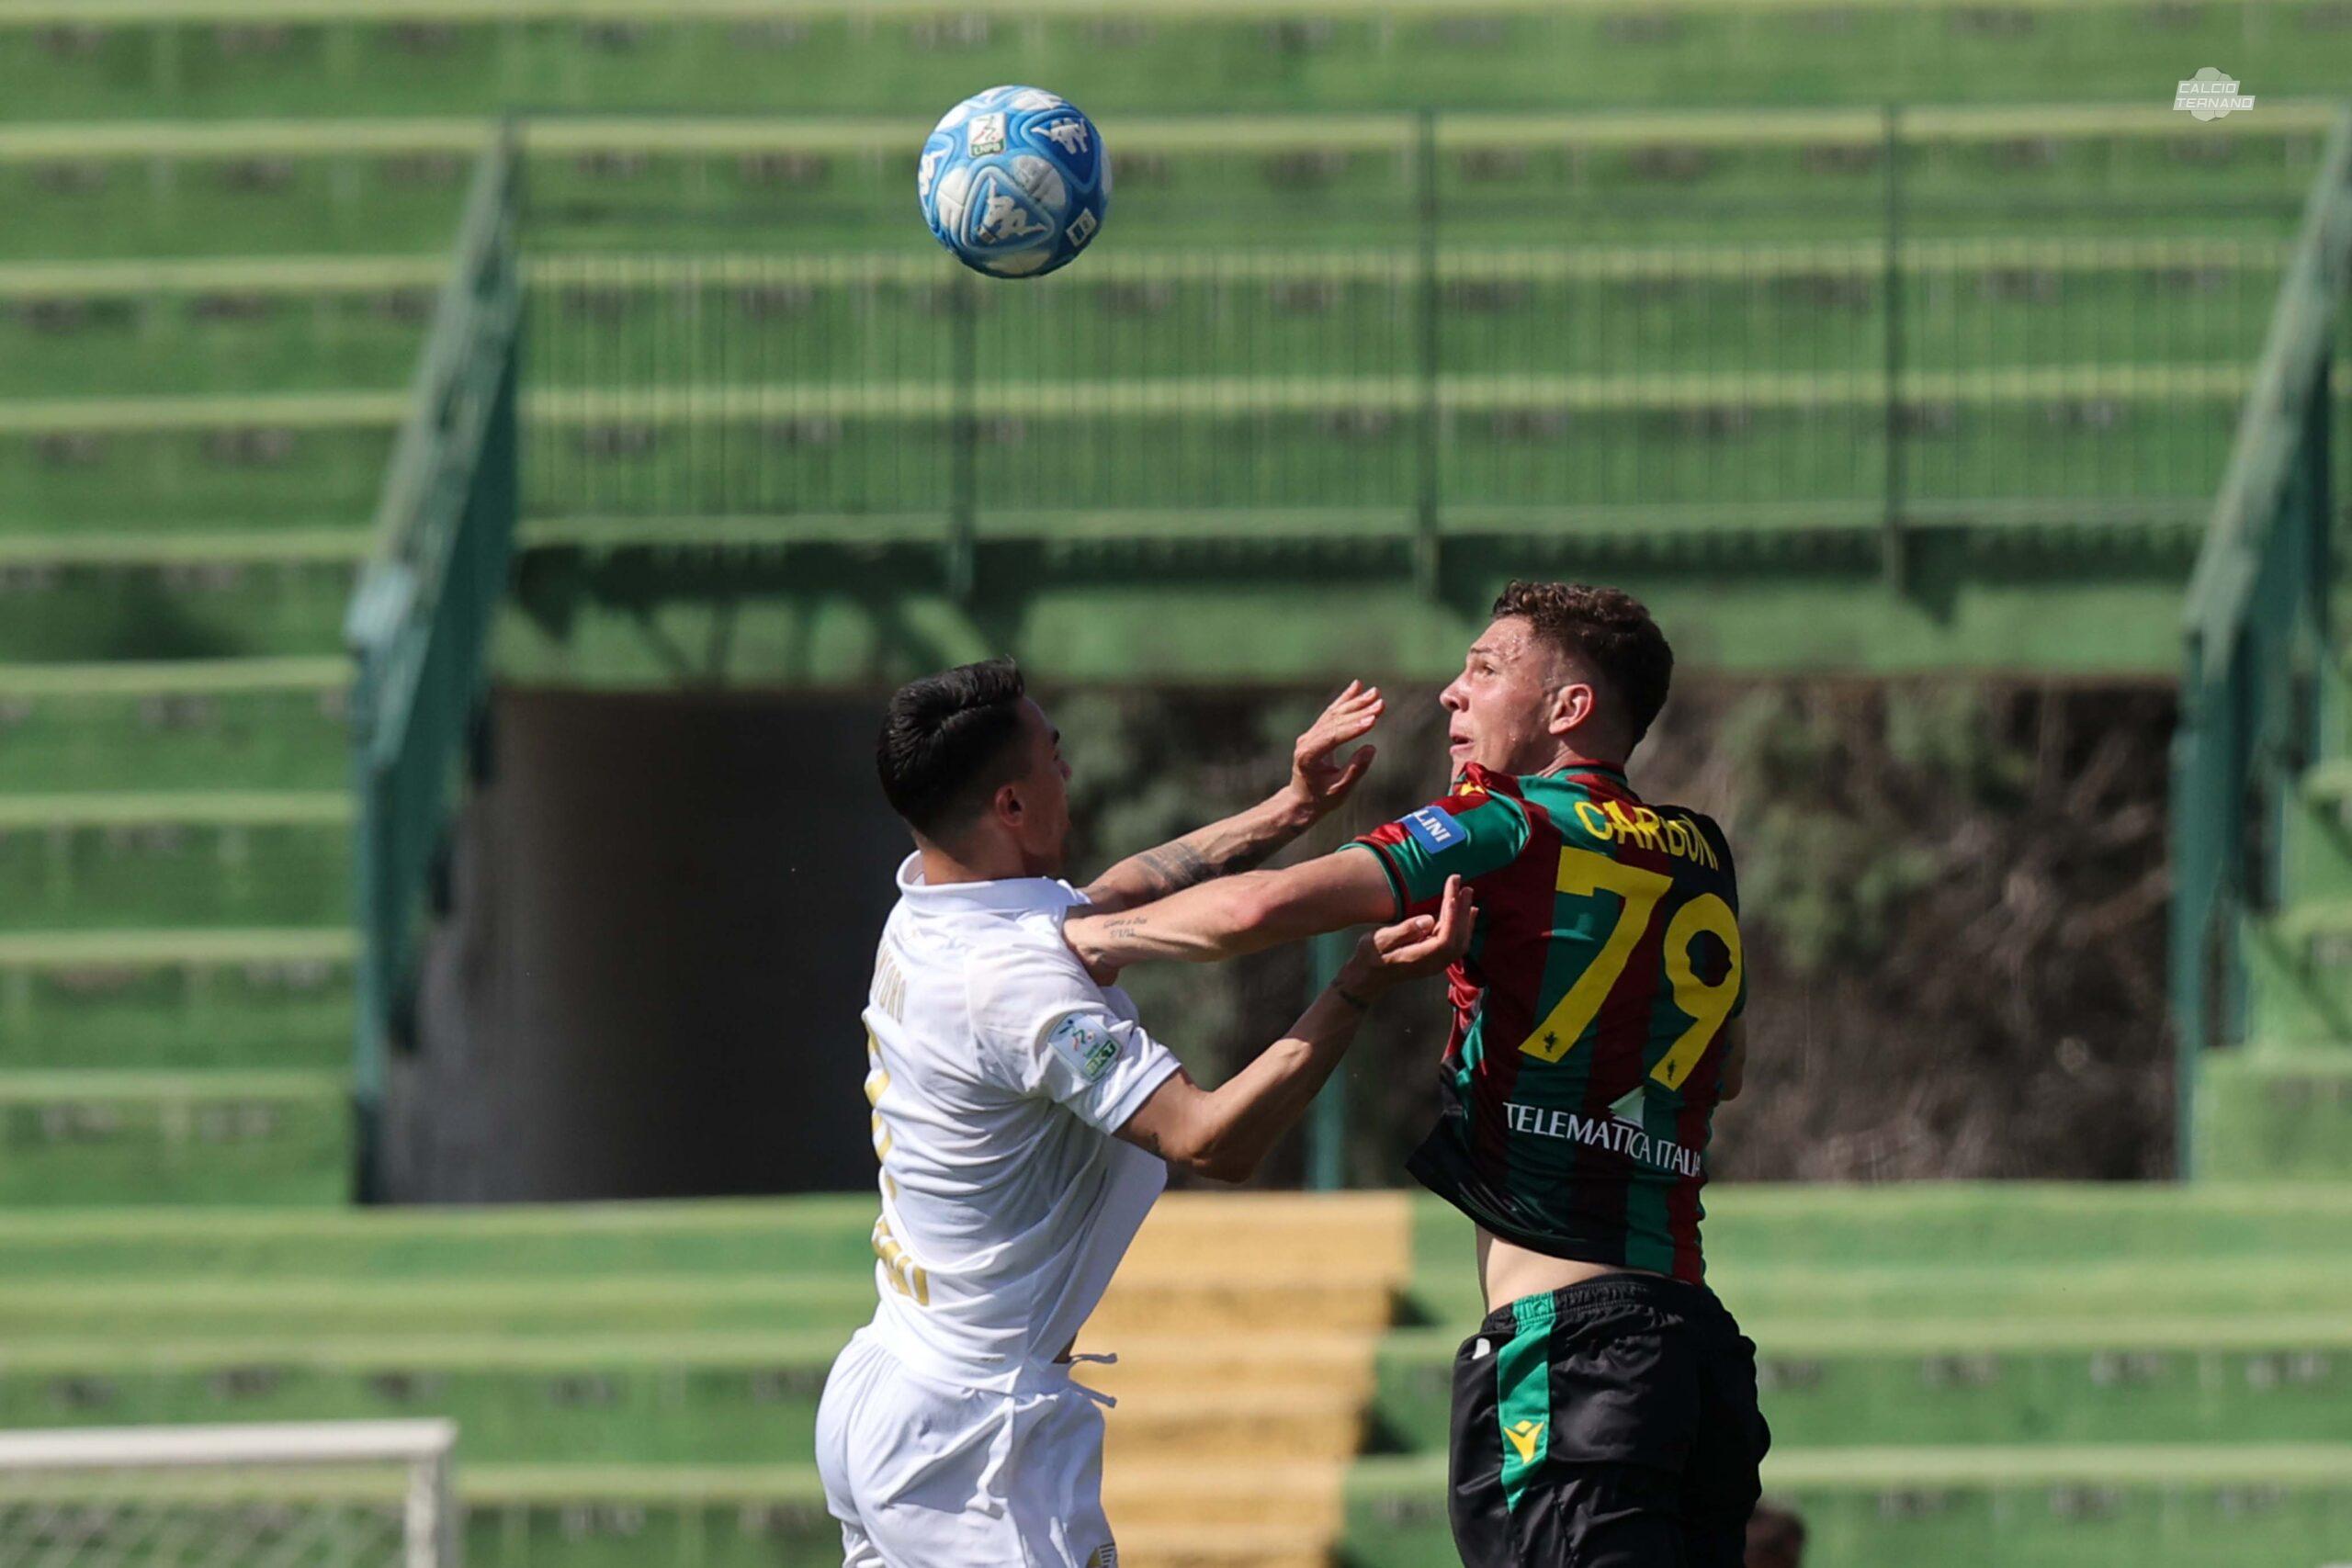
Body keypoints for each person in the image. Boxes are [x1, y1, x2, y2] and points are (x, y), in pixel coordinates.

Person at [1065, 581, 1769, 1566]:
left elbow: (1251, 914)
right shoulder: (1703, 852)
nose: (1449, 692)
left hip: (1569, 1358)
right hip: (1694, 1351)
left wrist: (1066, 935)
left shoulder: (1504, 824)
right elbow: (1723, 1070)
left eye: (1484, 670)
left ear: (1568, 710)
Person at [816, 658, 1473, 1568]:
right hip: (973, 1447)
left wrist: (1290, 806)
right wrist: (1355, 988)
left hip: (890, 1384)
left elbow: (1125, 894)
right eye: (1054, 756)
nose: (1069, 773)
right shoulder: (1012, 983)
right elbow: (1212, 1139)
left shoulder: (931, 909)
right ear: (1010, 806)